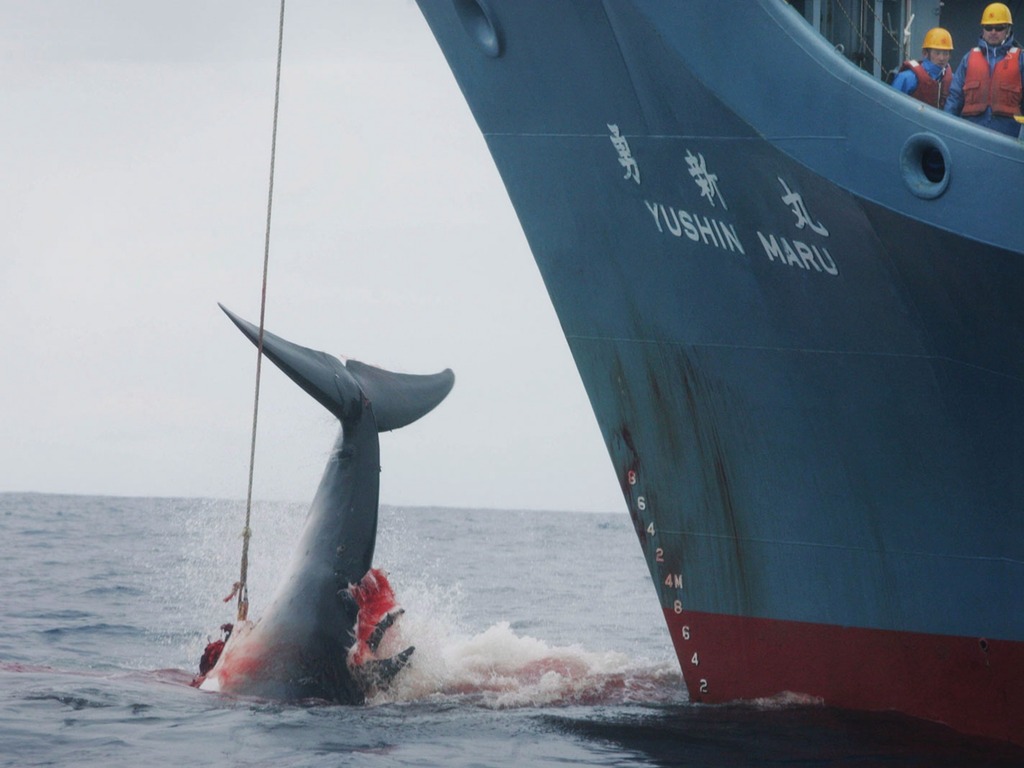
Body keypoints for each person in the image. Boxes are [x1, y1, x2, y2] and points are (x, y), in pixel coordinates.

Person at [944, 3, 1024, 136]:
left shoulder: (1020, 59)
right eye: (988, 27)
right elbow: (955, 97)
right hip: (972, 133)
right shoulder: (968, 58)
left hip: (1009, 136)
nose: (993, 32)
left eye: (999, 28)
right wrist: (945, 127)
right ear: (983, 29)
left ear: (1008, 30)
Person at [893, 28, 954, 108]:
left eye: (946, 53)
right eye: (937, 53)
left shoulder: (953, 80)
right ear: (925, 53)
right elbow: (892, 105)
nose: (942, 58)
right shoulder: (907, 78)